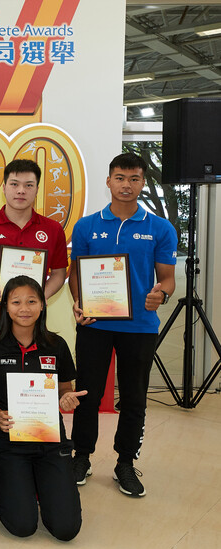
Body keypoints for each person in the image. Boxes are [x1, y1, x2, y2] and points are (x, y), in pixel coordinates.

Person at [69, 153, 177, 497]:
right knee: (88, 393)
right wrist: (78, 303)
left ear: (143, 182)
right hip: (95, 324)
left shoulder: (160, 228)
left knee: (133, 398)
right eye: (120, 177)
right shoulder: (86, 226)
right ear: (109, 181)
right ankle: (81, 456)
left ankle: (125, 463)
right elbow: (76, 274)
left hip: (141, 326)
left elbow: (168, 280)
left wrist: (160, 294)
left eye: (133, 178)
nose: (126, 185)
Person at [0, 276, 84, 541]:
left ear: (42, 305)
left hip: (49, 441)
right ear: (6, 306)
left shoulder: (56, 345)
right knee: (22, 526)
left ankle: (40, 482)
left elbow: (64, 387)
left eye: (31, 301)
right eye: (16, 302)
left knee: (66, 529)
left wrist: (66, 398)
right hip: (7, 441)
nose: (24, 308)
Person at [0, 159, 68, 354]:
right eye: (14, 184)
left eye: (28, 185)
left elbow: (59, 273)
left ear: (37, 189)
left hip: (33, 325)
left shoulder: (53, 229)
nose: (21, 191)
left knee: (30, 383)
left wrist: (39, 297)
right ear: (4, 187)